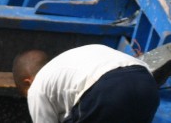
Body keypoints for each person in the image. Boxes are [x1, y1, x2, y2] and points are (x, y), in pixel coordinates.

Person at [12, 44, 160, 123]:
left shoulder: (37, 86)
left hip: (105, 91)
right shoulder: (70, 59)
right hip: (146, 83)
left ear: (28, 82)